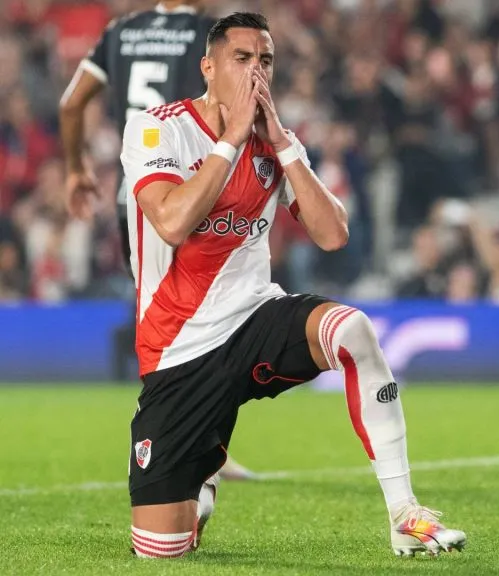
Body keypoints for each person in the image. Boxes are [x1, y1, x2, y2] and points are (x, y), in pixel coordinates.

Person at [121, 12, 466, 558]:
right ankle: (201, 480)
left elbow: (333, 234)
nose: (256, 72)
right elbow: (172, 221)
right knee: (163, 550)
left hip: (254, 318)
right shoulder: (156, 127)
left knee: (354, 330)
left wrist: (281, 143)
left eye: (266, 60)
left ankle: (404, 512)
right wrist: (232, 140)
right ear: (209, 67)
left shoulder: (275, 142)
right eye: (242, 59)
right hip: (176, 350)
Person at [59, 0, 256, 482]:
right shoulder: (207, 33)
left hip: (137, 194)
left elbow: (70, 104)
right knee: (207, 317)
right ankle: (193, 445)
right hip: (193, 188)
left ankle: (187, 443)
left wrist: (75, 168)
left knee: (161, 316)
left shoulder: (119, 31)